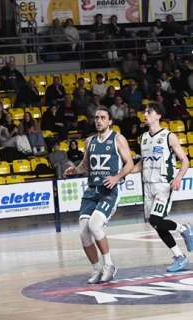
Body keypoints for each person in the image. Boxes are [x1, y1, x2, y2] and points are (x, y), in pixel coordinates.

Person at [64, 107, 134, 284]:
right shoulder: (89, 141)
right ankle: (96, 268)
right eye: (96, 118)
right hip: (91, 190)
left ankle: (109, 264)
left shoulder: (118, 139)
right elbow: (85, 165)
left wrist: (117, 178)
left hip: (109, 191)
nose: (99, 120)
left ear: (110, 121)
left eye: (103, 117)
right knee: (83, 232)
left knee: (95, 226)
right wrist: (75, 170)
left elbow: (130, 164)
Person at [131, 103, 193, 272]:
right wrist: (125, 173)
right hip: (148, 186)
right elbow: (143, 163)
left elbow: (185, 161)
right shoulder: (143, 137)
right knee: (157, 224)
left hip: (163, 185)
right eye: (144, 111)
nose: (145, 114)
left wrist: (178, 178)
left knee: (155, 220)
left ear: (158, 115)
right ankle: (179, 257)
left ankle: (184, 229)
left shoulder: (169, 136)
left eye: (148, 112)